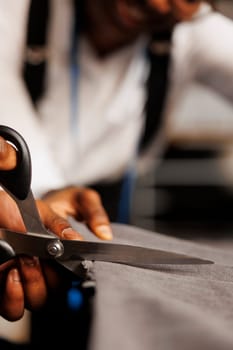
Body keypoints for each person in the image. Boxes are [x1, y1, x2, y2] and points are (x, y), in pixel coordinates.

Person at [1, 0, 233, 348]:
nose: (155, 2)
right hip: (22, 201)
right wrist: (40, 197)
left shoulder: (194, 32)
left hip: (101, 212)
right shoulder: (12, 12)